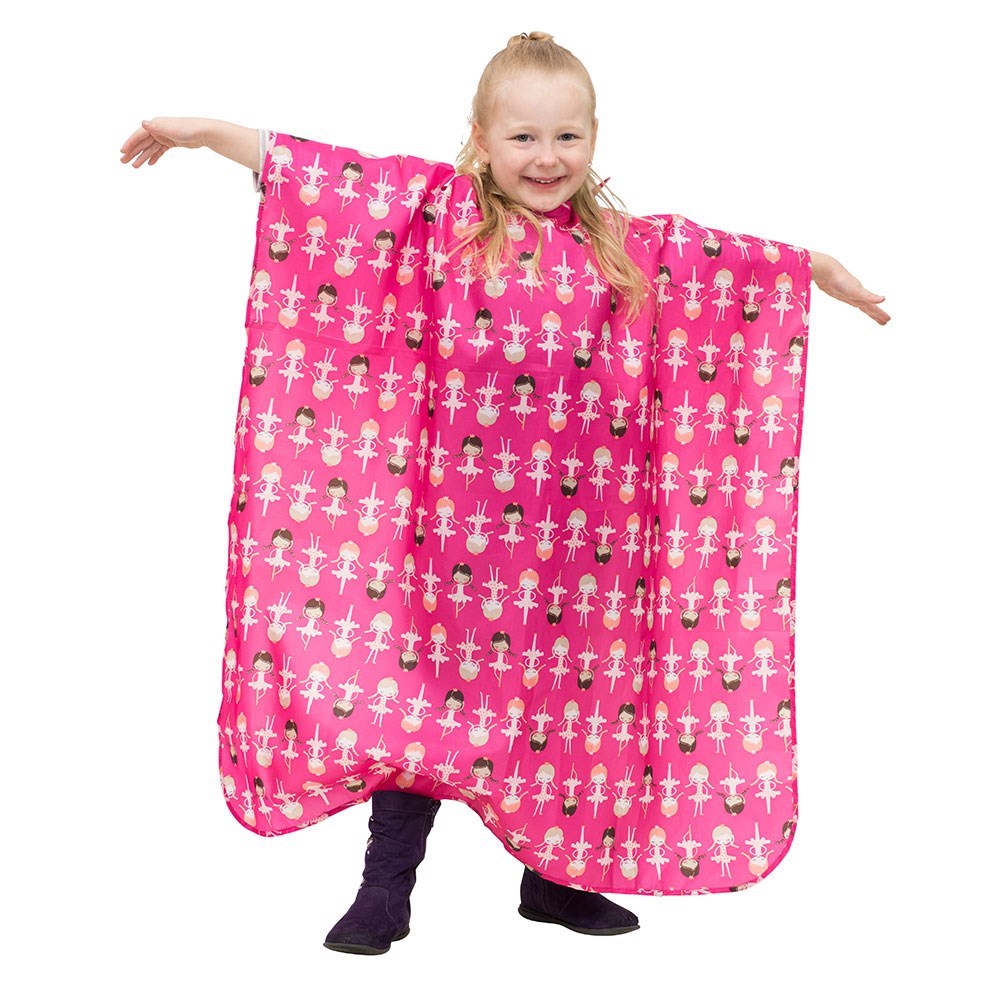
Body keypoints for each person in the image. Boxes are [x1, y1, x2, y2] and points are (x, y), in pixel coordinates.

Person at [119, 31, 889, 958]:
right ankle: (386, 887)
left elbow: (726, 265)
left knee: (571, 709)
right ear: (482, 139)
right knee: (423, 709)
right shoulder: (437, 216)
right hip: (452, 538)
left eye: (568, 137)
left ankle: (556, 879)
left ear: (594, 137)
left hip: (582, 544)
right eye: (524, 137)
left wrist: (815, 270)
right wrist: (206, 132)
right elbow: (332, 179)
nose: (547, 158)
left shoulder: (625, 249)